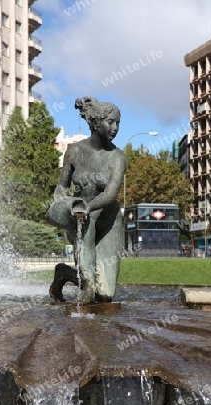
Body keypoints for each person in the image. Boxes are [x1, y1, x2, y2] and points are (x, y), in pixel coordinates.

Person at [48, 97, 127, 304]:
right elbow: (61, 186)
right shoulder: (73, 152)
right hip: (81, 220)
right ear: (95, 123)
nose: (115, 127)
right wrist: (63, 203)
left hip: (108, 220)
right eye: (110, 122)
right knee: (88, 289)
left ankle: (65, 273)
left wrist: (89, 206)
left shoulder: (117, 157)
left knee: (105, 295)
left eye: (118, 122)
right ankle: (73, 278)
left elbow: (110, 194)